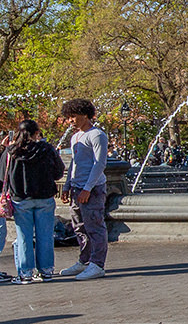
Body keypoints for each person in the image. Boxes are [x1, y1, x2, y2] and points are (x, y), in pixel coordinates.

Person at [3, 119, 66, 283]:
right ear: (37, 132)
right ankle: (46, 271)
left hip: (21, 198)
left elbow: (2, 175)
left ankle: (25, 273)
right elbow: (59, 172)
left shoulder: (11, 151)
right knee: (45, 235)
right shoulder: (46, 149)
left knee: (23, 236)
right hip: (45, 197)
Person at [59, 98, 109, 281]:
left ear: (85, 115)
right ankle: (85, 260)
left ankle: (97, 264)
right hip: (77, 187)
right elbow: (75, 162)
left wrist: (88, 188)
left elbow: (99, 164)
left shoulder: (97, 135)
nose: (70, 120)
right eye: (69, 117)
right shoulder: (76, 137)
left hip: (92, 188)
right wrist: (67, 184)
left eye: (73, 116)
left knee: (94, 226)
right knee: (79, 226)